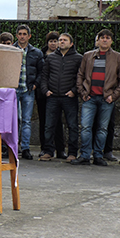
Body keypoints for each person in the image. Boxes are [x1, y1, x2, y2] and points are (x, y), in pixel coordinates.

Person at [72, 29, 120, 166]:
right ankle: (85, 155)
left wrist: (114, 96)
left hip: (106, 99)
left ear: (111, 41)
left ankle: (98, 155)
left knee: (102, 129)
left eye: (108, 38)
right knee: (85, 127)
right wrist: (82, 92)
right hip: (89, 98)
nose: (104, 40)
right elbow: (80, 75)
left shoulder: (118, 57)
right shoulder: (88, 56)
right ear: (97, 41)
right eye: (102, 37)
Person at [39, 33, 82, 162]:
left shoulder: (78, 58)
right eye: (60, 40)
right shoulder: (51, 57)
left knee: (72, 126)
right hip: (52, 97)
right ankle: (48, 151)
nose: (61, 42)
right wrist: (45, 90)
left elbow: (81, 77)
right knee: (49, 125)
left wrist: (74, 91)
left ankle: (72, 153)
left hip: (69, 97)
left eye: (65, 40)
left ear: (71, 43)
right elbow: (44, 76)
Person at [14, 24, 44, 160]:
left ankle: (25, 148)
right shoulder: (11, 50)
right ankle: (13, 147)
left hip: (28, 90)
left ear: (29, 36)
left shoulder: (36, 53)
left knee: (26, 120)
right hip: (14, 90)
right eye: (20, 34)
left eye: (24, 34)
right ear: (16, 35)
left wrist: (36, 84)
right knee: (15, 120)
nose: (22, 36)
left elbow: (41, 71)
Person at [37, 31, 65, 158]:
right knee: (44, 121)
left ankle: (60, 149)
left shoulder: (62, 55)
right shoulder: (41, 55)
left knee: (58, 122)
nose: (53, 44)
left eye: (55, 41)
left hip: (57, 92)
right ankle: (45, 148)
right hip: (43, 93)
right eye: (51, 41)